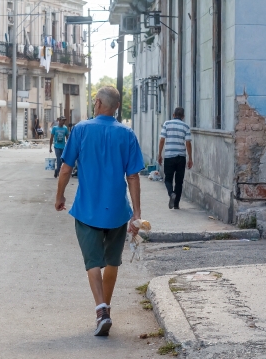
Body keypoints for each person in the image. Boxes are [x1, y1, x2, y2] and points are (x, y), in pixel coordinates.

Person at [55, 86, 144, 336]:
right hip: (117, 210)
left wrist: (60, 196)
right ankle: (106, 309)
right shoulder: (127, 133)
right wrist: (137, 213)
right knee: (112, 261)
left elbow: (65, 168)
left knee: (93, 262)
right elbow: (134, 175)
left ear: (97, 103)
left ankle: (101, 311)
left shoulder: (81, 130)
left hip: (87, 210)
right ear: (116, 108)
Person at [157, 107, 193, 209]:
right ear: (183, 116)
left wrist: (159, 154)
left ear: (173, 115)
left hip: (169, 156)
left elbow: (162, 140)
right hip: (181, 157)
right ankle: (176, 204)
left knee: (168, 179)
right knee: (179, 181)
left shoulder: (167, 124)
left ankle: (171, 193)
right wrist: (190, 158)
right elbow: (188, 143)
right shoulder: (186, 126)